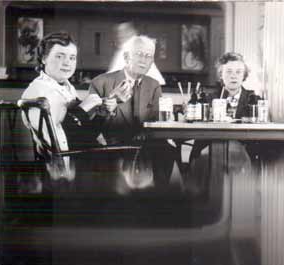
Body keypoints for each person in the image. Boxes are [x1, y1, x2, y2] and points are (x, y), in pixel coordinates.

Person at [89, 35, 177, 188]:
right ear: (126, 56)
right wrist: (108, 105)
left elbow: (158, 121)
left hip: (146, 142)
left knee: (168, 150)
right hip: (114, 144)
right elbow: (90, 127)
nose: (144, 60)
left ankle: (160, 195)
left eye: (149, 56)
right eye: (139, 54)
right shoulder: (101, 82)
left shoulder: (154, 85)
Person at [21, 31, 103, 154]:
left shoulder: (66, 87)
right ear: (44, 59)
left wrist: (101, 114)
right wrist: (82, 109)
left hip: (80, 158)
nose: (67, 63)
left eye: (72, 58)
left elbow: (84, 135)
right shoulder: (39, 92)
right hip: (61, 165)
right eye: (59, 56)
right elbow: (58, 143)